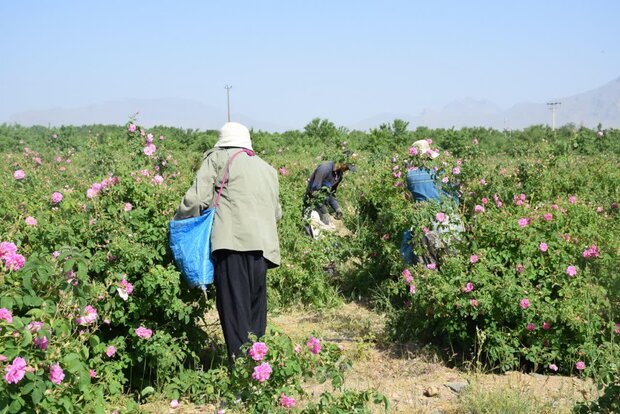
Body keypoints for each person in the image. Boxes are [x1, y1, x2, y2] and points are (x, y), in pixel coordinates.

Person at [174, 122, 282, 363]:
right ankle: (257, 370)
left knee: (234, 311)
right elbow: (277, 213)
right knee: (255, 312)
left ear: (223, 141)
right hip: (263, 249)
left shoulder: (218, 158)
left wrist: (177, 226)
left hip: (232, 244)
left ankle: (241, 376)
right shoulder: (267, 169)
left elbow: (196, 200)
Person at [401, 140, 463, 265]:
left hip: (424, 222)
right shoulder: (441, 172)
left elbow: (409, 197)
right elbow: (455, 199)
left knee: (425, 263)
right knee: (453, 262)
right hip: (448, 221)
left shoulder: (410, 175)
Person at [303, 153, 356, 226]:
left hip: (322, 203)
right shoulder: (324, 168)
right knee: (310, 226)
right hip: (311, 202)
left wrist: (337, 208)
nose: (346, 170)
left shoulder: (339, 175)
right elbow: (314, 192)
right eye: (347, 167)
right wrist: (324, 211)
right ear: (342, 162)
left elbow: (331, 194)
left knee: (325, 228)